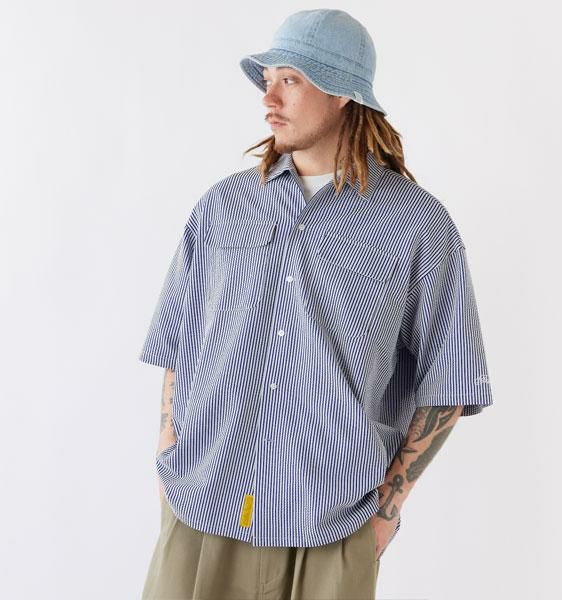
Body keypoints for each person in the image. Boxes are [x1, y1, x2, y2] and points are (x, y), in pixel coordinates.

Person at [139, 8, 494, 600]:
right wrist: (166, 459)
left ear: (343, 94)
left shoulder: (416, 226)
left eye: (291, 80)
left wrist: (388, 510)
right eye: (268, 79)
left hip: (332, 529)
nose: (269, 98)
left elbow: (452, 377)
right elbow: (179, 342)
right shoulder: (222, 208)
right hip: (203, 510)